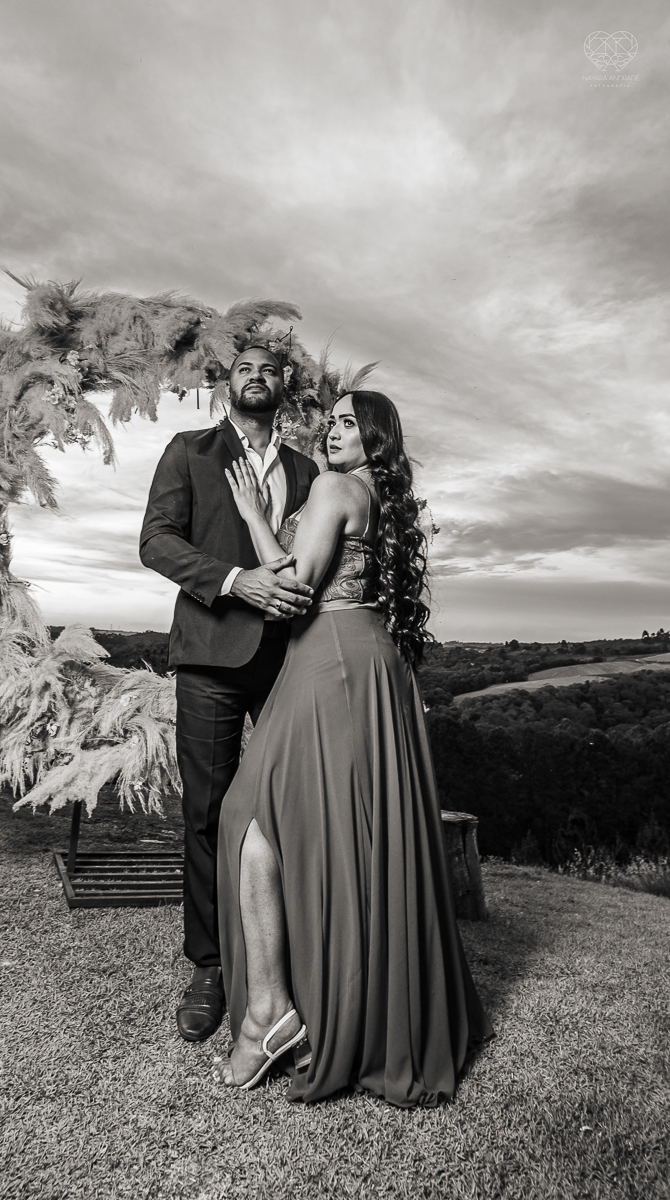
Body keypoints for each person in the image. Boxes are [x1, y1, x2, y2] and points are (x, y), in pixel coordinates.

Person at [213, 390, 493, 1104]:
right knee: (339, 825)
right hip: (368, 659)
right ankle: (287, 1006)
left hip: (329, 654)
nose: (331, 431)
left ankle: (270, 1012)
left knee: (249, 810)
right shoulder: (383, 500)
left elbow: (297, 587)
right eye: (329, 421)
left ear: (373, 438)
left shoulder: (335, 486)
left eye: (345, 422)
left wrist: (251, 516)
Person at [139, 346, 320, 1043]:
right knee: (208, 814)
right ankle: (211, 966)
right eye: (244, 366)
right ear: (226, 384)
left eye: (270, 369)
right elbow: (156, 541)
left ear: (282, 389)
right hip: (211, 658)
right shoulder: (188, 451)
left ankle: (285, 959)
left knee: (286, 809)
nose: (256, 375)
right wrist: (231, 580)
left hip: (289, 660)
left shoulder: (308, 472)